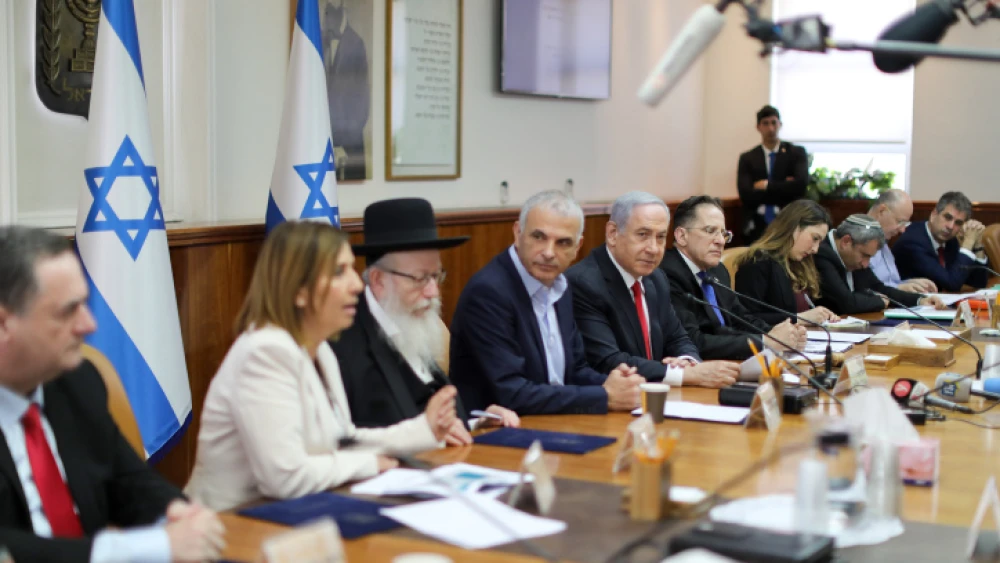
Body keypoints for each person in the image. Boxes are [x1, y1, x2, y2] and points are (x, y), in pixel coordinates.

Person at [185, 221, 457, 512]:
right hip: (230, 528)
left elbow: (342, 438)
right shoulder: (265, 353)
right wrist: (369, 464)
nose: (356, 284)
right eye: (340, 272)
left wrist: (425, 429)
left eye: (353, 269)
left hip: (291, 515)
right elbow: (285, 478)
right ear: (299, 289)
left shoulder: (321, 350)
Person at [0, 226, 225, 562]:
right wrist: (147, 548)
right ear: (4, 324)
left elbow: (128, 479)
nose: (89, 325)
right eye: (67, 311)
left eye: (85, 304)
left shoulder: (76, 383)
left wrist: (178, 514)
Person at [333, 198, 519, 445]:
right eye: (420, 278)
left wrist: (475, 422)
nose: (433, 292)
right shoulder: (341, 342)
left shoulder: (411, 321)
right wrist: (430, 435)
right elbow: (339, 441)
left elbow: (425, 408)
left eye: (436, 276)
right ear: (378, 280)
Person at [450, 190, 644, 415]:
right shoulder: (489, 292)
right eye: (539, 237)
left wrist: (614, 384)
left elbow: (573, 371)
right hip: (496, 432)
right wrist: (605, 396)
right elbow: (511, 393)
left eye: (563, 242)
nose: (549, 253)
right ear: (517, 233)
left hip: (551, 421)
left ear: (577, 247)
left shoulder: (560, 285)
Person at [566, 192, 740, 388]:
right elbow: (608, 361)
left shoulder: (656, 278)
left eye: (660, 237)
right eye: (643, 235)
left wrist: (688, 361)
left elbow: (678, 337)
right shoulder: (584, 283)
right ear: (613, 233)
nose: (654, 248)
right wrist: (683, 375)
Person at [660, 195, 807, 361]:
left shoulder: (718, 271)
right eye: (710, 231)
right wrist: (766, 341)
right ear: (681, 236)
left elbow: (740, 318)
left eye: (723, 234)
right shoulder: (667, 274)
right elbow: (695, 341)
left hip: (731, 360)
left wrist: (783, 334)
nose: (720, 241)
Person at [734, 200, 840, 326]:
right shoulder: (756, 261)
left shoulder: (801, 262)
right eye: (815, 238)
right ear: (794, 227)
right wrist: (800, 318)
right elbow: (746, 319)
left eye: (819, 242)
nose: (815, 249)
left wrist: (823, 315)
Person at [815, 215, 944, 315]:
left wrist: (920, 300)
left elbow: (879, 288)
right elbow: (847, 303)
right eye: (864, 255)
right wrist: (879, 301)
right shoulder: (822, 253)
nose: (866, 265)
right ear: (846, 241)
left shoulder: (854, 257)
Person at [737, 105, 809, 244]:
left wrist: (766, 185)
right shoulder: (748, 158)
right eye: (765, 123)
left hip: (788, 220)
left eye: (774, 123)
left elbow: (800, 186)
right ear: (758, 127)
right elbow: (746, 194)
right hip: (756, 223)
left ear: (780, 124)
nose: (771, 128)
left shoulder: (796, 153)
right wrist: (785, 186)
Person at [893, 191, 991, 291]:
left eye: (958, 223)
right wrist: (968, 243)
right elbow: (951, 284)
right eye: (947, 217)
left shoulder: (950, 240)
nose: (951, 226)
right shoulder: (912, 243)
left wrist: (978, 246)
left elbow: (979, 283)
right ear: (934, 215)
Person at [323, 0, 370, 180]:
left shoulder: (356, 44)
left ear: (342, 11)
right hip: (325, 143)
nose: (325, 18)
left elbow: (361, 102)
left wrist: (342, 141)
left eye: (329, 12)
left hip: (349, 145)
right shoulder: (320, 41)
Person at [866, 189, 938, 293]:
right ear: (881, 211)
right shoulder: (858, 240)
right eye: (900, 222)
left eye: (905, 223)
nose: (902, 229)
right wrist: (898, 289)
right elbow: (862, 289)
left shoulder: (883, 239)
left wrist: (910, 283)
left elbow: (889, 281)